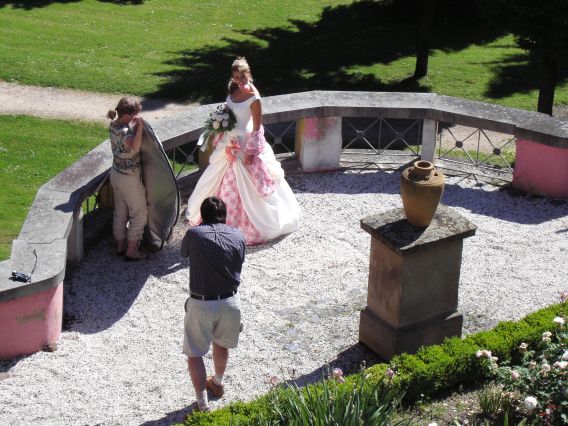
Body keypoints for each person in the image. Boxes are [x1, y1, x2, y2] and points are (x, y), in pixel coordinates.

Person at [186, 57, 300, 245]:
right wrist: (221, 121)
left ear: (249, 74)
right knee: (222, 179)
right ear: (232, 76)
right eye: (237, 76)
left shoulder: (254, 98)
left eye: (243, 76)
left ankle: (246, 225)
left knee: (245, 183)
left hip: (245, 144)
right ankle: (218, 218)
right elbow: (229, 109)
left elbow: (257, 128)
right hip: (228, 141)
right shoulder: (233, 89)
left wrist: (250, 152)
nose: (240, 80)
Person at [180, 196, 246, 412]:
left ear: (203, 216)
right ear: (224, 215)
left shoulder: (194, 234)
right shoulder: (238, 235)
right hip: (229, 301)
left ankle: (202, 403)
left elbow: (184, 254)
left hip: (201, 302)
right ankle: (217, 383)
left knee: (195, 353)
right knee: (221, 344)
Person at [107, 97, 148, 260]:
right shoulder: (125, 131)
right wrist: (139, 128)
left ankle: (120, 245)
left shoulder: (113, 124)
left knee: (120, 212)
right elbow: (135, 147)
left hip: (116, 174)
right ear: (126, 116)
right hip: (129, 179)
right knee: (139, 213)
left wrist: (132, 123)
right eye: (133, 116)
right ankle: (131, 251)